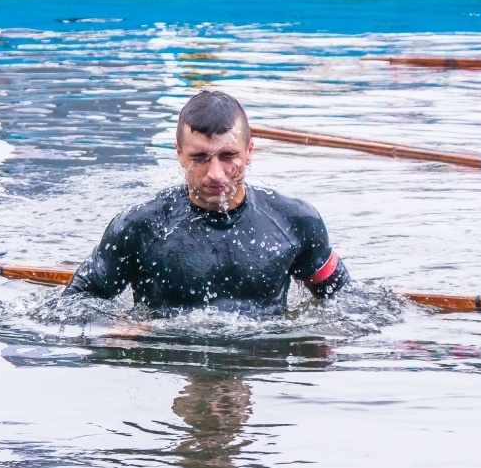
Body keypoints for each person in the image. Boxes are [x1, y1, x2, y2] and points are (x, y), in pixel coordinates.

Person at [63, 90, 349, 316]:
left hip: (260, 367)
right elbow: (72, 305)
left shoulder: (295, 222)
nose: (215, 174)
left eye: (228, 156)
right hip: (171, 368)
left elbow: (346, 301)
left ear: (249, 151)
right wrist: (114, 325)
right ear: (179, 154)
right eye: (200, 158)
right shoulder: (139, 226)